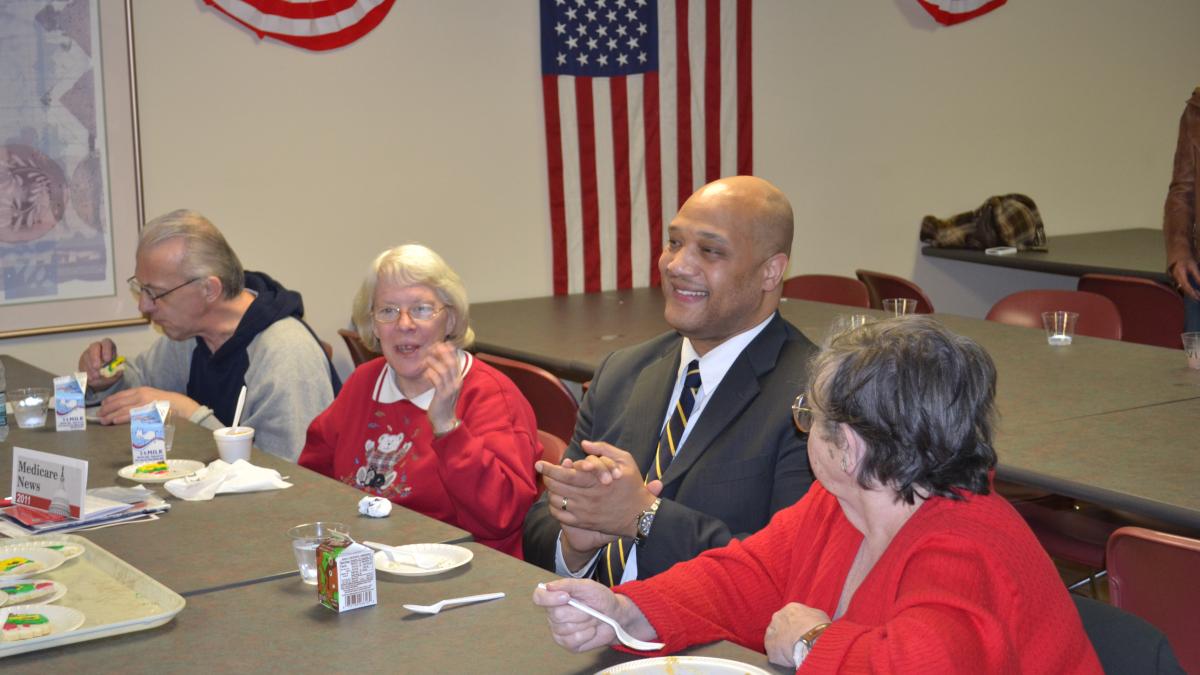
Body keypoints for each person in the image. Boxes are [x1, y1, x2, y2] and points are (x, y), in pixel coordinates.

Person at [534, 316, 1103, 673]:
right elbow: (745, 576)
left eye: (809, 415)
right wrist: (631, 610)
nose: (803, 425)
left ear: (848, 447)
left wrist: (809, 641)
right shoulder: (844, 504)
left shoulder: (964, 541)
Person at [523, 175, 817, 583]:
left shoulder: (814, 399)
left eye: (710, 251)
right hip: (587, 627)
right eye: (674, 243)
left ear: (771, 272)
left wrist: (644, 518)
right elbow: (539, 525)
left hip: (710, 641)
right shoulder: (622, 372)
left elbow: (788, 567)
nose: (676, 265)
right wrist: (574, 544)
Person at [298, 244, 540, 558]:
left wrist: (447, 428)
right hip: (370, 565)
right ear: (372, 324)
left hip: (462, 573)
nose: (404, 324)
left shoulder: (490, 395)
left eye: (422, 309)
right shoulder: (364, 383)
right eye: (388, 310)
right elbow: (314, 482)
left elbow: (502, 518)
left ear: (450, 320)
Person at [79, 209, 339, 460]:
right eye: (140, 289)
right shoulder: (189, 337)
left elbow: (292, 475)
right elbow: (142, 389)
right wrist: (107, 381)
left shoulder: (286, 354)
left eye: (155, 293)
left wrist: (188, 413)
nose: (143, 306)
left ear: (209, 289)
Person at [1165, 86, 1200, 332]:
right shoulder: (1197, 109)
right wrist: (1179, 250)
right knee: (1194, 367)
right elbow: (1182, 190)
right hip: (1197, 267)